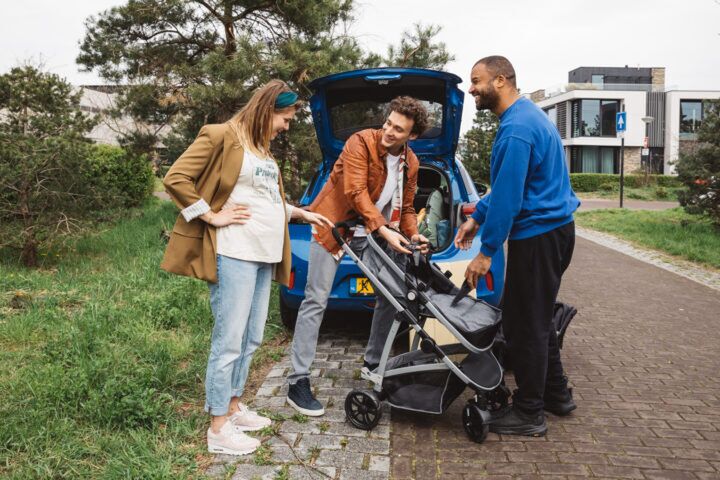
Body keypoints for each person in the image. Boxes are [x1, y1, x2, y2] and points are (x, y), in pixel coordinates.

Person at [161, 80, 333, 455]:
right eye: (285, 118)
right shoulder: (221, 135)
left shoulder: (263, 151)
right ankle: (218, 428)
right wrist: (209, 215)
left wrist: (301, 213)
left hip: (263, 255)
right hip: (234, 252)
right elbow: (176, 178)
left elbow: (264, 200)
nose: (287, 126)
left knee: (253, 336)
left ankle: (234, 406)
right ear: (267, 108)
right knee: (229, 340)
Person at [454, 56, 581, 436]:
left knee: (524, 326)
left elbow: (510, 197)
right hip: (556, 231)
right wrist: (477, 214)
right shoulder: (527, 117)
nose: (471, 88)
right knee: (537, 318)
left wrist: (485, 251)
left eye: (476, 81)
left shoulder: (516, 129)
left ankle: (529, 413)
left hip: (538, 237)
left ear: (501, 80)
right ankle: (556, 394)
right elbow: (511, 184)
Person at [285, 96, 430, 416]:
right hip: (332, 227)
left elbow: (406, 209)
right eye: (388, 123)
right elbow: (355, 192)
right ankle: (298, 381)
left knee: (394, 294)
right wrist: (383, 230)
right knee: (316, 300)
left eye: (398, 129)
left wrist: (412, 232)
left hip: (373, 233)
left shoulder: (411, 162)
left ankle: (374, 364)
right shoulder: (360, 143)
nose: (388, 132)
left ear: (412, 135)